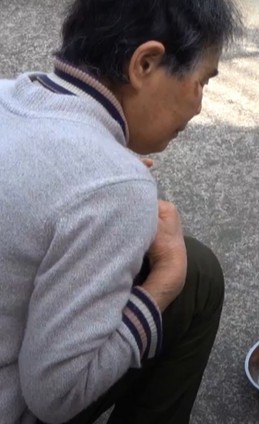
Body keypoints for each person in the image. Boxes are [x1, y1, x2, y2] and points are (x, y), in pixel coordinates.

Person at [0, 0, 245, 423]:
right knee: (197, 276)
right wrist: (165, 282)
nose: (200, 105)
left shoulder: (9, 95)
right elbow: (55, 397)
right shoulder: (113, 187)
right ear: (145, 64)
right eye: (201, 82)